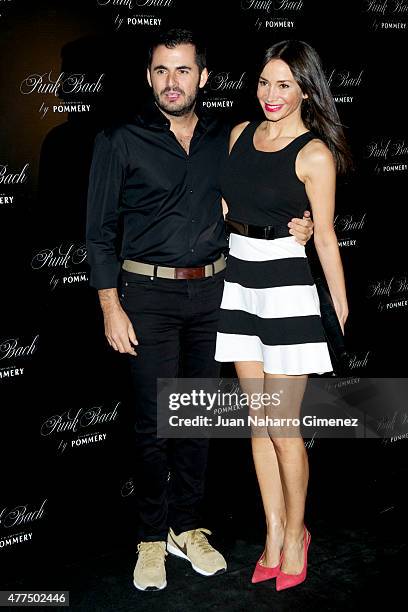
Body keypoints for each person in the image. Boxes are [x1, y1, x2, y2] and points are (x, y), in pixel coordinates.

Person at [86, 29, 314, 592]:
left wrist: (298, 227)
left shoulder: (226, 137)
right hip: (147, 296)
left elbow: (261, 192)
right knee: (152, 424)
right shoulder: (120, 139)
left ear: (202, 78)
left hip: (216, 294)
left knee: (195, 419)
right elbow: (98, 232)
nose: (172, 81)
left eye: (183, 70)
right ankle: (148, 538)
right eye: (162, 70)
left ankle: (186, 528)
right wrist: (111, 307)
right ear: (149, 77)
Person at [215, 39, 351, 590]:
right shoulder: (238, 135)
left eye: (285, 85)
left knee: (283, 426)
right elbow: (227, 205)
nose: (271, 95)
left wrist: (338, 305)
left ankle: (297, 534)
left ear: (305, 90)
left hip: (287, 287)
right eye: (265, 82)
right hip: (240, 283)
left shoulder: (314, 153)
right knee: (257, 425)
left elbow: (327, 237)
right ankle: (272, 530)